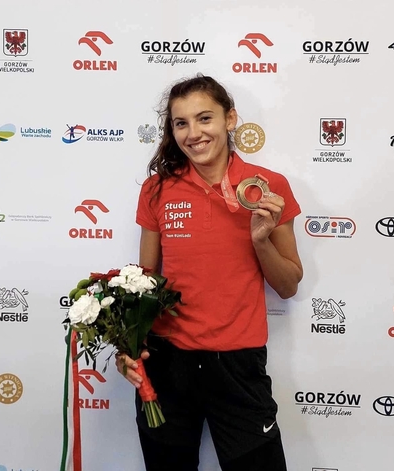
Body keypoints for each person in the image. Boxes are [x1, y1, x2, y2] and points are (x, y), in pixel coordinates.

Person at [116, 74, 303, 471]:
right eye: (181, 123)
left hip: (238, 365)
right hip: (167, 364)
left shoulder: (268, 186)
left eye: (205, 118)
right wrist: (127, 349)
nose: (193, 133)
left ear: (230, 119)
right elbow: (141, 284)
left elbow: (288, 285)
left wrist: (260, 241)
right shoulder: (156, 190)